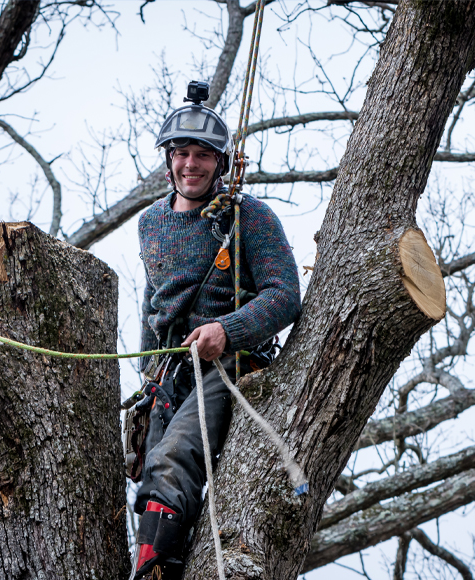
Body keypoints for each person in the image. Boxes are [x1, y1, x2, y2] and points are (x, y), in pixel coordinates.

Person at [130, 83, 301, 580]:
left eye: (203, 155)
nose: (191, 164)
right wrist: (146, 377)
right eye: (182, 153)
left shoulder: (249, 217)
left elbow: (285, 295)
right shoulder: (151, 223)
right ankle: (168, 562)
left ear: (220, 163)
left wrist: (228, 330)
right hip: (169, 375)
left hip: (229, 366)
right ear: (168, 160)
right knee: (151, 479)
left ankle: (151, 573)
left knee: (172, 460)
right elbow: (153, 302)